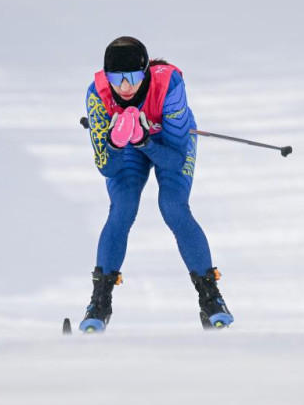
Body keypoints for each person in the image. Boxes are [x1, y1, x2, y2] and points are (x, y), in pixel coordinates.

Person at [80, 36, 234, 332]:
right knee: (122, 208)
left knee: (173, 207)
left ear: (146, 72)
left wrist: (143, 140)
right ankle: (99, 303)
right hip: (127, 142)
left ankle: (211, 298)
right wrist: (114, 141)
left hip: (168, 143)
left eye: (133, 77)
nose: (125, 87)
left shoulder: (169, 85)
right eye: (116, 78)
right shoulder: (98, 95)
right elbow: (107, 167)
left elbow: (175, 161)